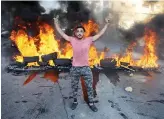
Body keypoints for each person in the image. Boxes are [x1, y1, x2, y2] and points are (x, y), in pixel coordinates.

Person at [54, 16, 110, 112]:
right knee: (74, 87)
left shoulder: (89, 40)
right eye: (77, 31)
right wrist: (56, 22)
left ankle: (91, 103)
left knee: (89, 86)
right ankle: (75, 101)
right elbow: (62, 33)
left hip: (86, 68)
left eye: (81, 31)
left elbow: (100, 34)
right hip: (75, 68)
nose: (79, 33)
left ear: (84, 33)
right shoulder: (72, 39)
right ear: (75, 33)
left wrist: (107, 24)